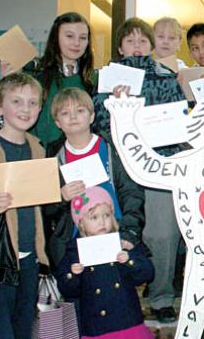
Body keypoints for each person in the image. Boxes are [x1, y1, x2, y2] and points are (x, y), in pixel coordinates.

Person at [92, 17, 186, 324]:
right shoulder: (104, 81)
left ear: (151, 45)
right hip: (121, 169)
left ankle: (161, 297)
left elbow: (179, 125)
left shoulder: (166, 77)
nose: (137, 46)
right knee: (116, 231)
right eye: (130, 41)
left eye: (142, 40)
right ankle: (117, 295)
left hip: (159, 166)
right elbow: (98, 127)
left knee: (163, 234)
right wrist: (118, 106)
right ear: (119, 46)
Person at [43, 87, 144, 269]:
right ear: (58, 122)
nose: (73, 117)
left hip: (115, 231)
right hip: (74, 240)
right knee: (82, 292)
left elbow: (131, 193)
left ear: (91, 117)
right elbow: (46, 209)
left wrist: (129, 232)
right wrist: (60, 197)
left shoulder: (112, 148)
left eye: (80, 111)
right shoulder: (52, 155)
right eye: (65, 113)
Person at [55, 186, 154, 338]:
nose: (102, 222)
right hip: (97, 327)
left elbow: (147, 274)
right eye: (94, 217)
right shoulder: (75, 250)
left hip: (128, 323)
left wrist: (130, 260)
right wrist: (73, 274)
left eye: (106, 215)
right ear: (81, 223)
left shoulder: (122, 243)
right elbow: (68, 290)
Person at [0, 72, 49, 339]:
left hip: (29, 258)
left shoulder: (38, 149)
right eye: (16, 101)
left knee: (23, 328)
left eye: (32, 102)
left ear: (40, 108)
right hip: (0, 261)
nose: (25, 109)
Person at [30, 12, 96, 148]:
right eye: (69, 36)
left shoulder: (95, 80)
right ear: (56, 38)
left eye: (83, 38)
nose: (76, 43)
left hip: (85, 158)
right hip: (43, 158)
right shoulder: (37, 78)